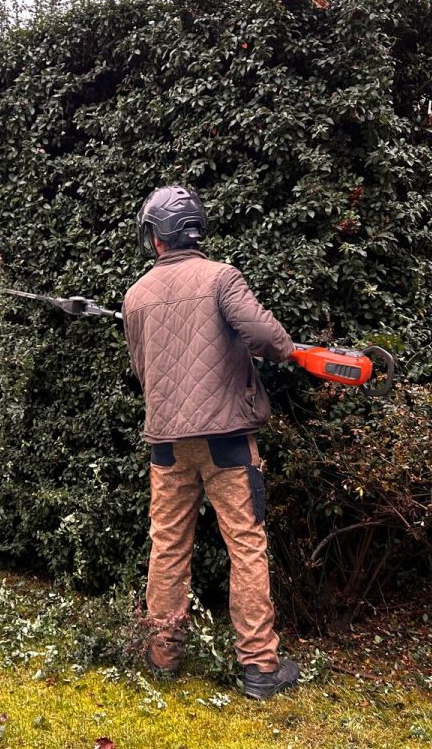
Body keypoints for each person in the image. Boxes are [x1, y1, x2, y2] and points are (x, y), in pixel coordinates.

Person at [122, 184, 300, 700]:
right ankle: (260, 669)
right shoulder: (222, 278)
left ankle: (162, 654)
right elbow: (270, 341)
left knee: (168, 544)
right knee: (245, 544)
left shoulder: (135, 296)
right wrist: (284, 353)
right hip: (226, 441)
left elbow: (141, 371)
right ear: (196, 231)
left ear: (156, 237)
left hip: (167, 444)